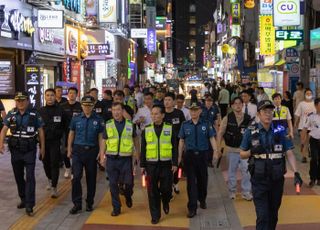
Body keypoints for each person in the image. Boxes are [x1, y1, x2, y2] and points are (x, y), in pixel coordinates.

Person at [240, 100, 302, 230]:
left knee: (273, 215)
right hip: (259, 180)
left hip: (277, 179)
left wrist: (296, 172)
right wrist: (252, 151)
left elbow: (289, 152)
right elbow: (241, 153)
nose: (268, 114)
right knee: (262, 216)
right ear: (258, 114)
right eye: (265, 111)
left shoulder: (280, 131)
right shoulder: (251, 131)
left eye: (270, 111)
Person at [0, 92, 45, 216]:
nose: (20, 103)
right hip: (16, 151)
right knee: (18, 176)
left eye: (22, 100)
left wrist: (42, 148)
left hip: (30, 150)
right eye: (18, 101)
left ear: (27, 101)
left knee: (30, 177)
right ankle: (23, 199)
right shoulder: (12, 114)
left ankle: (30, 204)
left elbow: (41, 131)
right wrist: (1, 144)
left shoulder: (34, 114)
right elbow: (4, 129)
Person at [178, 102, 218, 218]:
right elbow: (181, 141)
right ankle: (192, 207)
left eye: (196, 110)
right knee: (191, 183)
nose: (194, 112)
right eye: (192, 110)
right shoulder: (185, 125)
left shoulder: (206, 124)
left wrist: (215, 151)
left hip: (202, 156)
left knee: (203, 179)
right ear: (190, 111)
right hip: (189, 156)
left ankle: (202, 199)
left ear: (200, 111)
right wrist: (179, 157)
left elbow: (211, 138)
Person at [99, 102, 139, 216]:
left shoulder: (130, 124)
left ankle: (128, 195)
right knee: (113, 184)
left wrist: (137, 153)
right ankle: (116, 207)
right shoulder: (108, 124)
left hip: (126, 159)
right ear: (111, 111)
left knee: (129, 183)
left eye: (118, 110)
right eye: (114, 110)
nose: (116, 112)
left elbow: (136, 139)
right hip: (111, 159)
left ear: (122, 111)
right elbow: (104, 141)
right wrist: (102, 156)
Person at [140, 105, 178, 224]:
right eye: (152, 114)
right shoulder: (146, 129)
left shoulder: (170, 128)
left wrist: (175, 163)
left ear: (162, 115)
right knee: (152, 191)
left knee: (166, 189)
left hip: (166, 164)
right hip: (151, 165)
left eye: (156, 114)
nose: (154, 116)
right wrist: (142, 165)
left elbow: (175, 147)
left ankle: (165, 201)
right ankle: (155, 215)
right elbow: (143, 148)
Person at [67, 96, 105, 214]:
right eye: (85, 105)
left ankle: (89, 202)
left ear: (93, 106)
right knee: (76, 177)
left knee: (91, 178)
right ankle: (77, 204)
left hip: (92, 151)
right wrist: (69, 149)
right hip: (78, 151)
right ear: (81, 106)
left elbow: (101, 137)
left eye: (89, 105)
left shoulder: (98, 119)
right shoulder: (76, 119)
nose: (87, 107)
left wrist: (101, 152)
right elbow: (71, 134)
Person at [216, 97, 252, 200]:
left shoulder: (248, 118)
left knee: (246, 171)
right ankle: (232, 191)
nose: (238, 105)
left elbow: (252, 133)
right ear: (232, 106)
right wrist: (218, 148)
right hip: (232, 150)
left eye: (239, 103)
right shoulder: (227, 118)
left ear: (242, 105)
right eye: (235, 104)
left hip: (245, 151)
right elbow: (220, 133)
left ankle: (246, 192)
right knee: (232, 171)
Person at [39, 89, 67, 198]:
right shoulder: (40, 111)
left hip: (55, 142)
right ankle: (50, 179)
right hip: (43, 142)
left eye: (52, 95)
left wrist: (65, 143)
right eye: (47, 95)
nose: (50, 97)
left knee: (54, 164)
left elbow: (66, 127)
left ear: (55, 97)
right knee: (45, 163)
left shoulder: (61, 111)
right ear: (45, 97)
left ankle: (54, 187)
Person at [164, 92, 185, 194]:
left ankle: (176, 182)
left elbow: (183, 129)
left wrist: (183, 143)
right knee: (167, 167)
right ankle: (169, 186)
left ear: (173, 102)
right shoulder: (161, 113)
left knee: (178, 166)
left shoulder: (179, 113)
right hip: (165, 146)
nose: (167, 102)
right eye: (165, 100)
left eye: (169, 100)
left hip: (177, 145)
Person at [60, 87, 82, 178]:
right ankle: (68, 168)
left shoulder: (80, 106)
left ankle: (74, 170)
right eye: (70, 93)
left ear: (76, 95)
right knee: (64, 152)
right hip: (65, 132)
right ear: (68, 94)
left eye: (73, 93)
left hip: (78, 132)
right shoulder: (62, 106)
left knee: (76, 152)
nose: (72, 95)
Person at [301, 98, 320, 187]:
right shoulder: (311, 116)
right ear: (316, 106)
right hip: (314, 141)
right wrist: (303, 141)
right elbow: (305, 128)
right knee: (314, 159)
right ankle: (312, 178)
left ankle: (319, 179)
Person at [294, 88, 316, 163]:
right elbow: (297, 114)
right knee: (303, 141)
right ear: (305, 95)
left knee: (308, 141)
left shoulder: (315, 104)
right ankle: (304, 154)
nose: (309, 95)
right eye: (307, 94)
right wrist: (295, 123)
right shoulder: (301, 104)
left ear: (312, 95)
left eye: (310, 93)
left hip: (312, 126)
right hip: (302, 126)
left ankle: (305, 154)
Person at [200, 94, 220, 167]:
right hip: (202, 130)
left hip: (211, 130)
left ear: (212, 102)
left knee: (211, 147)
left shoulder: (214, 109)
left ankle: (209, 161)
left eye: (210, 101)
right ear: (205, 102)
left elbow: (215, 120)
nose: (209, 102)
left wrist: (217, 131)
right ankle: (202, 161)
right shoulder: (201, 108)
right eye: (207, 101)